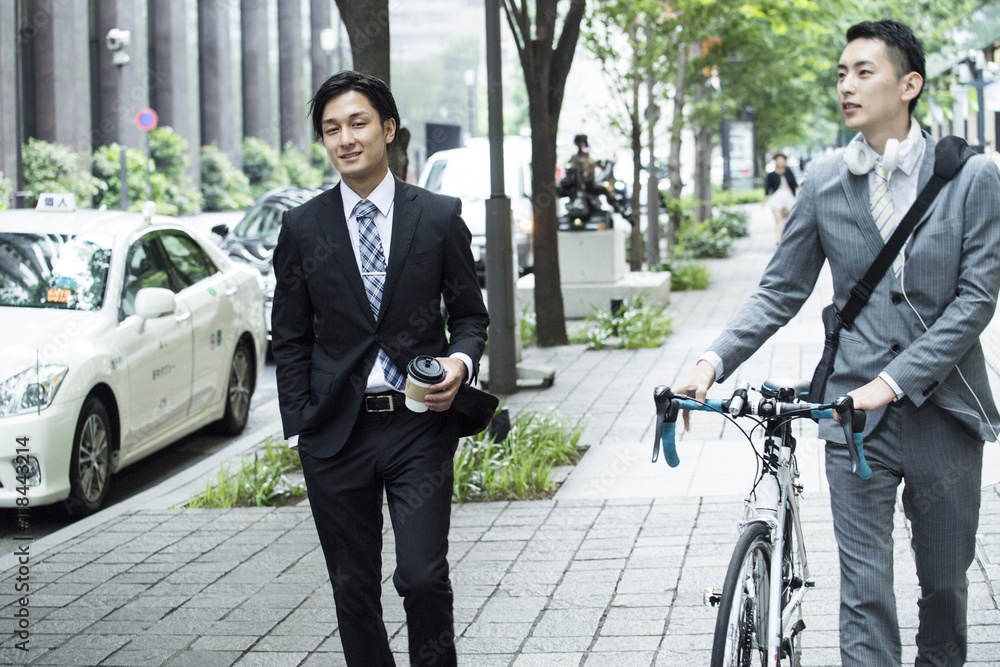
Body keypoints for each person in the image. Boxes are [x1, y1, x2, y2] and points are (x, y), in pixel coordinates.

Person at [674, 20, 1000, 667]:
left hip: (945, 413)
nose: (846, 85)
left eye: (863, 71)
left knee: (943, 586)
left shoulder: (971, 178)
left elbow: (976, 301)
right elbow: (779, 291)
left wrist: (896, 380)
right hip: (852, 418)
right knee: (864, 591)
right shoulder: (824, 179)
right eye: (841, 73)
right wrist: (709, 361)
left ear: (910, 84)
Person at [271, 70, 489, 666]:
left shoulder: (439, 216)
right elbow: (288, 336)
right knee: (353, 588)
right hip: (335, 434)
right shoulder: (302, 227)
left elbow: (471, 316)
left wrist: (460, 362)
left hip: (417, 423)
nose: (345, 138)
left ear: (388, 129)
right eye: (331, 129)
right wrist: (303, 424)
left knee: (422, 579)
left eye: (358, 123)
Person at [763, 152, 798, 242]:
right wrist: (764, 199)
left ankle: (785, 238)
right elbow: (767, 187)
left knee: (787, 219)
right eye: (779, 161)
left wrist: (797, 197)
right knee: (778, 219)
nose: (781, 163)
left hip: (788, 197)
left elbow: (795, 185)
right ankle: (779, 239)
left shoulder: (789, 172)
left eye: (782, 161)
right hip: (776, 197)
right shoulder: (771, 175)